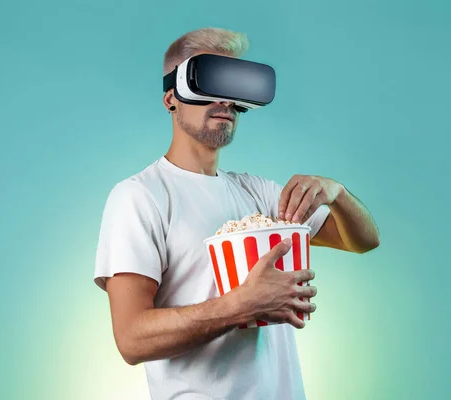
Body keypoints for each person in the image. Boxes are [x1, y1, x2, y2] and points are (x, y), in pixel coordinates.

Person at [94, 27, 380, 400]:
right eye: (210, 84)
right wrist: (242, 306)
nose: (225, 101)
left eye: (234, 88)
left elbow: (363, 241)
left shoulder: (259, 193)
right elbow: (131, 339)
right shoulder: (139, 197)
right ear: (171, 98)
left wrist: (337, 193)